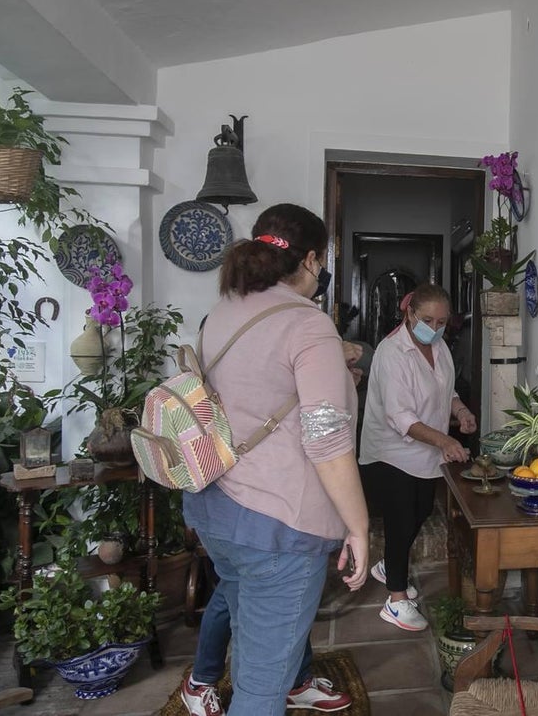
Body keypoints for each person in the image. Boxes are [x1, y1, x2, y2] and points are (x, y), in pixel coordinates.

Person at [180, 203, 369, 715]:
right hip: (277, 526)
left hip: (215, 508)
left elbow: (247, 396)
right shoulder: (307, 326)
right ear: (312, 260)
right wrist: (359, 528)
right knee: (263, 691)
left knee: (254, 646)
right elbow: (326, 441)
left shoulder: (223, 311)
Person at [358, 283, 477, 631]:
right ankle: (396, 599)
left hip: (426, 452)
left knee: (422, 510)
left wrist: (461, 411)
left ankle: (386, 566)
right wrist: (445, 441)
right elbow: (401, 417)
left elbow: (446, 389)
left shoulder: (439, 347)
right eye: (428, 320)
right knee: (400, 520)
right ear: (410, 314)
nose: (435, 328)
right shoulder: (391, 352)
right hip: (390, 451)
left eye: (442, 322)